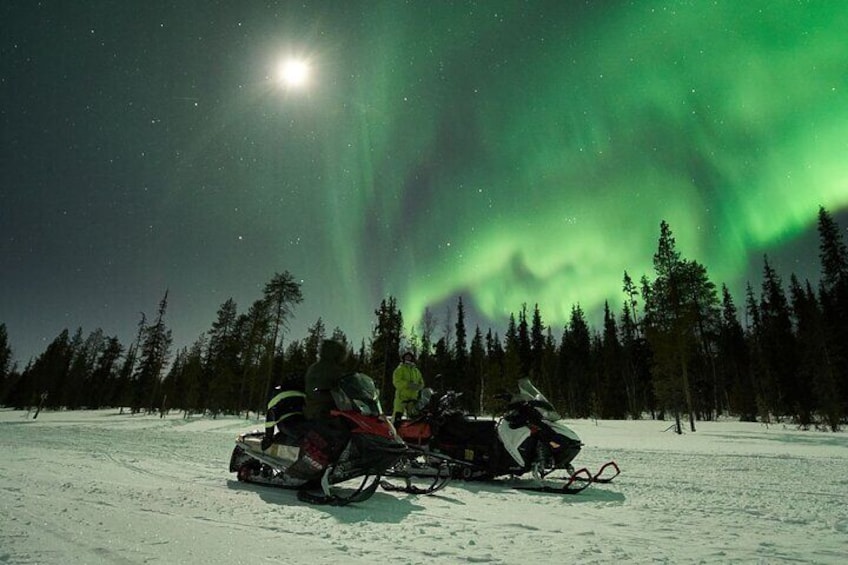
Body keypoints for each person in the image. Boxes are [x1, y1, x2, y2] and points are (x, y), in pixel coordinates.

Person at [288, 339, 350, 481]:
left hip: (331, 408)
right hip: (318, 409)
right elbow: (316, 389)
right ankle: (315, 465)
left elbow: (343, 386)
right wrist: (330, 394)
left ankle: (335, 463)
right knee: (333, 433)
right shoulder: (321, 368)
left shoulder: (333, 368)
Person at [392, 350, 425, 426]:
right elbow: (396, 382)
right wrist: (407, 384)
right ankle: (393, 433)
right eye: (406, 357)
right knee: (397, 417)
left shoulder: (416, 371)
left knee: (414, 419)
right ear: (403, 358)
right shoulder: (400, 369)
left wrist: (419, 386)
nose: (408, 358)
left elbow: (422, 382)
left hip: (413, 399)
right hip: (401, 398)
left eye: (409, 357)